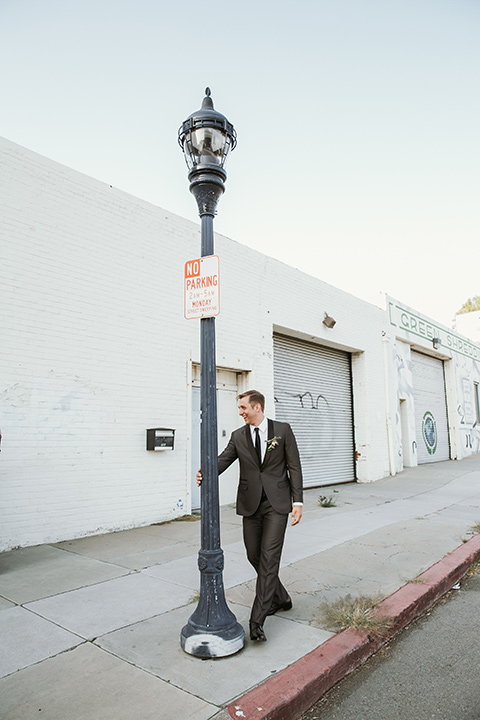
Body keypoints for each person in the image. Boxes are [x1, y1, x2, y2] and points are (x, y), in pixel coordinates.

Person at [196, 389, 303, 642]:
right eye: (240, 409)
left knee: (269, 558)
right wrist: (207, 473)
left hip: (277, 505)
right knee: (254, 555)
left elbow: (294, 466)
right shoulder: (238, 436)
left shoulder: (282, 431)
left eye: (243, 408)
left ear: (257, 407)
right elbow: (224, 459)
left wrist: (297, 501)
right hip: (250, 504)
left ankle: (257, 621)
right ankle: (281, 598)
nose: (240, 412)